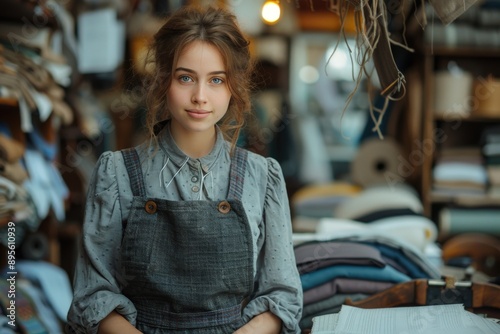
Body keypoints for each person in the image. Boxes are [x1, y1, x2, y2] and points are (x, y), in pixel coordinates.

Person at [66, 4, 303, 334]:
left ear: (233, 86)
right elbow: (91, 298)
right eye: (186, 77)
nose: (200, 97)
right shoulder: (116, 173)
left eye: (216, 80)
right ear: (164, 80)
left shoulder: (263, 176)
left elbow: (283, 296)